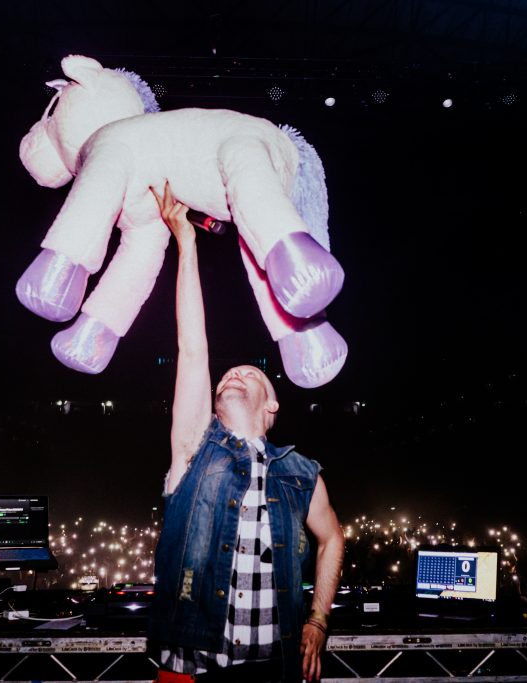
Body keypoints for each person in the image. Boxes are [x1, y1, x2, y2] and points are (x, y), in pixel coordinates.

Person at [148, 182, 344, 683]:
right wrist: (186, 245)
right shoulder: (196, 448)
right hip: (190, 663)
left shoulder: (301, 474)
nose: (233, 374)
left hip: (271, 669)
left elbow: (332, 538)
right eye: (226, 376)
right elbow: (192, 348)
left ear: (272, 405)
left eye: (249, 374)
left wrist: (319, 619)